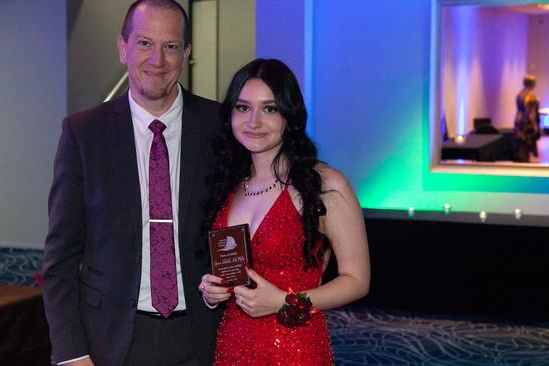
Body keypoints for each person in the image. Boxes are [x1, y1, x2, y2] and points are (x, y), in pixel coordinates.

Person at [43, 1, 222, 365]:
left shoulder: (221, 127)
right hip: (108, 341)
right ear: (122, 48)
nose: (157, 59)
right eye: (144, 43)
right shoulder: (83, 133)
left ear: (186, 53)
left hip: (204, 337)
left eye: (170, 46)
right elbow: (60, 260)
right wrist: (71, 353)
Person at [198, 59, 371, 365]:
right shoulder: (230, 184)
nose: (254, 121)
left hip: (293, 348)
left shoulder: (324, 184)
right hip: (232, 346)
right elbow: (234, 272)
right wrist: (215, 290)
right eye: (242, 107)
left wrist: (286, 301)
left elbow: (357, 280)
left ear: (289, 117)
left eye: (270, 108)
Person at [513, 74, 540, 162]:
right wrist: (536, 128)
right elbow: (531, 114)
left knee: (520, 148)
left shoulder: (520, 94)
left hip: (518, 122)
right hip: (526, 125)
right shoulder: (530, 97)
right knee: (525, 148)